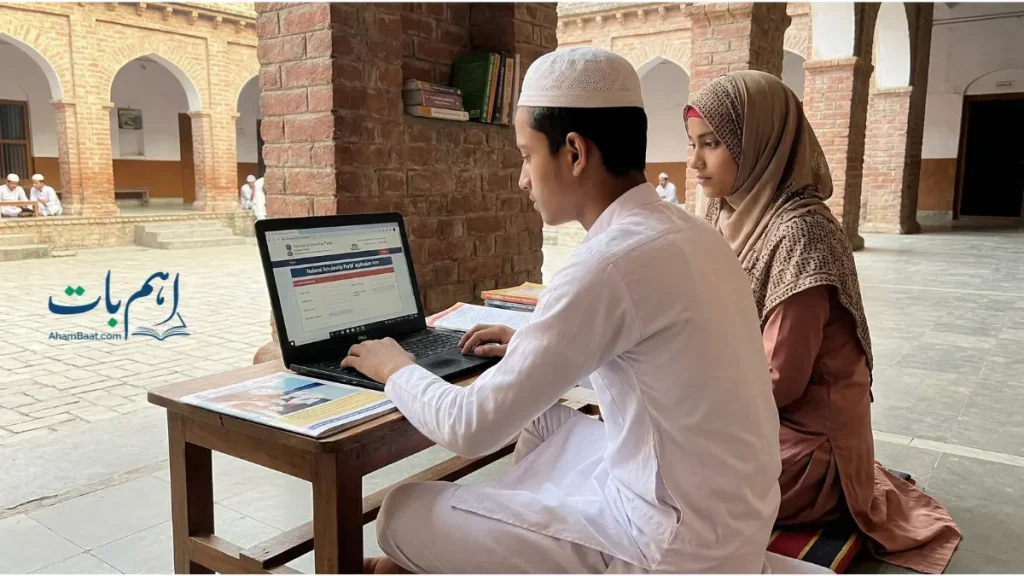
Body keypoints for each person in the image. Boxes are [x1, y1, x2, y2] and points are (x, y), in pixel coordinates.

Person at [342, 47, 817, 574]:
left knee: (400, 514)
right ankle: (508, 540)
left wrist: (394, 368)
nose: (523, 179)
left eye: (526, 155)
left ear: (573, 152)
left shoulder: (608, 261)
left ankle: (496, 543)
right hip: (729, 520)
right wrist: (530, 346)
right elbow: (657, 361)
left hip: (674, 549)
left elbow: (470, 429)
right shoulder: (692, 233)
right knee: (540, 420)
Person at [684, 70, 961, 574]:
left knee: (679, 470)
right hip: (754, 414)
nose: (696, 161)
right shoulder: (726, 216)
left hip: (809, 441)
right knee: (651, 441)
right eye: (692, 144)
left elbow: (780, 380)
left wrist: (685, 400)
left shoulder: (802, 234)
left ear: (761, 143)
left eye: (713, 143)